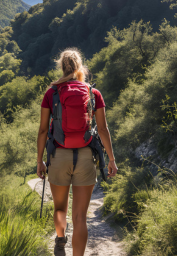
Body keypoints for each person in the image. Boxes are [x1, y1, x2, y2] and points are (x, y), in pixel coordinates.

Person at [36, 48, 118, 256]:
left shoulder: (51, 93)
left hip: (59, 156)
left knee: (60, 208)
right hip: (85, 157)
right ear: (80, 67)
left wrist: (39, 161)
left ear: (61, 67)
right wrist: (111, 159)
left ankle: (60, 239)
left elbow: (43, 130)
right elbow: (102, 129)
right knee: (80, 216)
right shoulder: (93, 93)